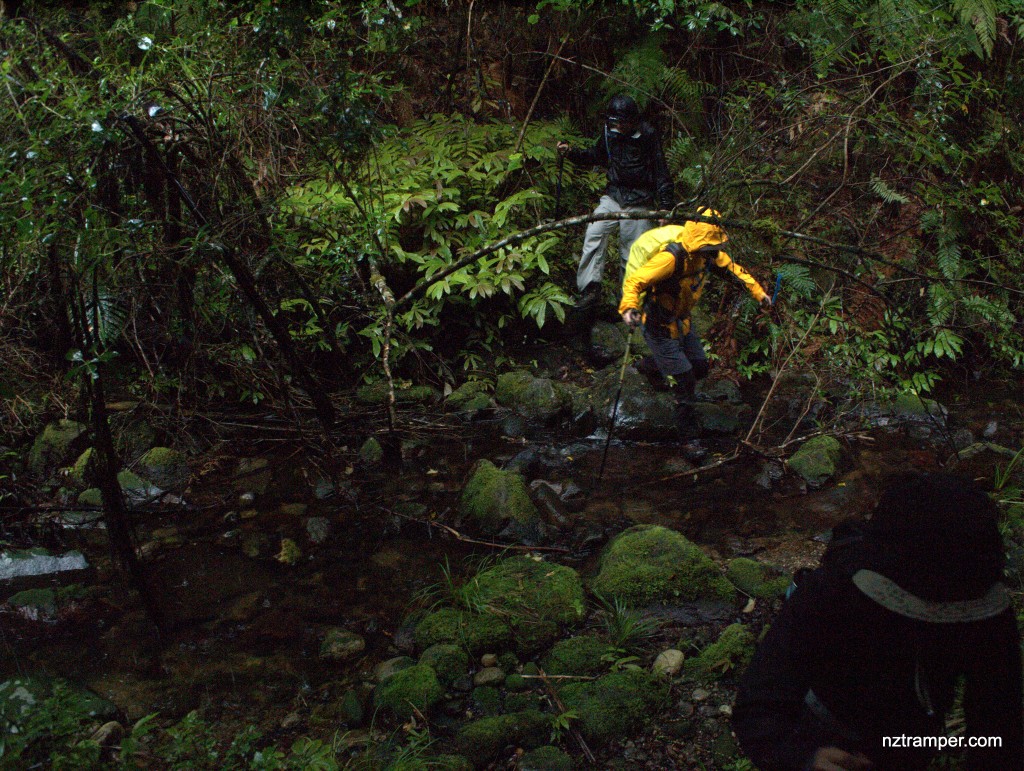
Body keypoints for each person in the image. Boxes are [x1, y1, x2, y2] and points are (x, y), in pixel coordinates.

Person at [733, 472, 1024, 771]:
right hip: (824, 726)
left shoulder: (984, 604)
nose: (941, 622)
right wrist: (802, 757)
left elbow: (999, 725)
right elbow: (759, 703)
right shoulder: (835, 589)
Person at [618, 211, 770, 459]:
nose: (714, 253)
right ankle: (688, 440)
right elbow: (636, 280)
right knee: (686, 380)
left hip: (682, 321)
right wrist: (629, 308)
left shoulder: (708, 255)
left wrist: (759, 294)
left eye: (715, 248)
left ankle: (649, 366)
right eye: (710, 248)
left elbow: (735, 271)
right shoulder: (671, 258)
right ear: (699, 242)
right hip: (658, 325)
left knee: (699, 367)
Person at [557, 94, 675, 313]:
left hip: (640, 201)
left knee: (632, 252)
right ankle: (590, 289)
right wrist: (571, 153)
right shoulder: (609, 133)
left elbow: (661, 170)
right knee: (595, 232)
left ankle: (627, 302)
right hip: (614, 197)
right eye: (615, 122)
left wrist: (665, 206)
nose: (618, 126)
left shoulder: (647, 135)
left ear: (632, 120)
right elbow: (597, 155)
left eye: (622, 122)